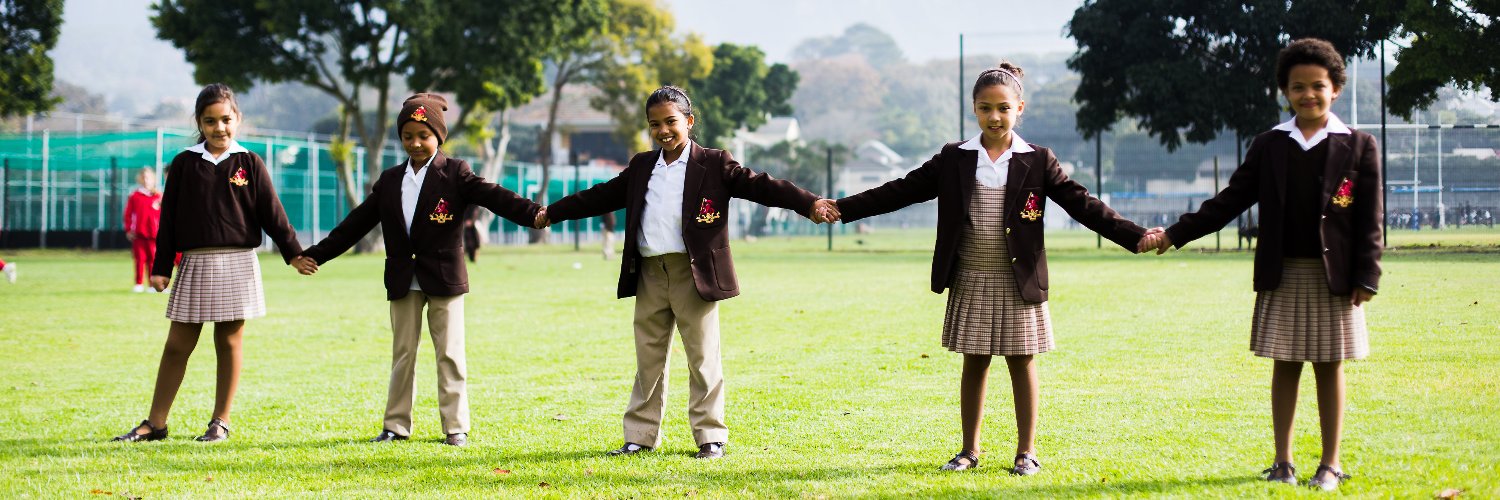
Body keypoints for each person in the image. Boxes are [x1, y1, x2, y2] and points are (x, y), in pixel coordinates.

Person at [834, 62, 1154, 475]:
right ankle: (969, 450)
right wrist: (841, 209)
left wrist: (1136, 235)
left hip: (1019, 279)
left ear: (1019, 108)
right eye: (985, 108)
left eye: (1003, 108)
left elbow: (1084, 204)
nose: (994, 117)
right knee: (975, 360)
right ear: (974, 110)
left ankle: (1026, 452)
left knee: (1022, 360)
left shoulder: (1037, 160)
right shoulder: (955, 158)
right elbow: (900, 189)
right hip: (972, 275)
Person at [541, 85, 838, 459]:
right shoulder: (641, 167)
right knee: (648, 359)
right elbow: (598, 195)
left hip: (693, 274)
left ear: (689, 122)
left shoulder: (714, 163)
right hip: (649, 271)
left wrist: (808, 203)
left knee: (702, 357)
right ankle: (639, 436)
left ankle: (710, 436)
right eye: (654, 124)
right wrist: (552, 212)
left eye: (671, 121)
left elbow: (762, 186)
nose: (663, 131)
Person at [1140, 38, 1382, 491]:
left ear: (1336, 89)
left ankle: (1330, 464)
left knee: (1330, 365)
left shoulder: (1359, 146)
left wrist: (1367, 276)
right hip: (1283, 272)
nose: (1308, 94)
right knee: (1285, 364)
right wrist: (1174, 235)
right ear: (1284, 92)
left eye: (1318, 86)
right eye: (1298, 87)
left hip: (1335, 278)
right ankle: (1283, 462)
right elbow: (1229, 201)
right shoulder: (1270, 145)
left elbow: (1370, 220)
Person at [296, 94, 541, 447]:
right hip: (401, 279)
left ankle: (456, 428)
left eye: (423, 136)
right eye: (408, 135)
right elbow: (355, 224)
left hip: (444, 278)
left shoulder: (456, 172)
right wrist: (317, 254)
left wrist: (533, 213)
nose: (415, 143)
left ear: (437, 137)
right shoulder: (390, 180)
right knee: (403, 354)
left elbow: (494, 195)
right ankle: (395, 426)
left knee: (450, 354)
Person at [112, 83, 304, 443]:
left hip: (238, 264)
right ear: (199, 123)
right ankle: (155, 423)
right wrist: (161, 266)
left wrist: (293, 253)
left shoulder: (250, 162)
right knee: (177, 344)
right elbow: (168, 218)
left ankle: (220, 422)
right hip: (195, 264)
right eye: (210, 121)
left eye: (226, 120)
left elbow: (272, 213)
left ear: (238, 119)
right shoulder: (184, 163)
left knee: (228, 342)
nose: (219, 128)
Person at [125, 166, 164, 292]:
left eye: (148, 177)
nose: (146, 180)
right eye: (144, 177)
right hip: (139, 234)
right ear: (140, 180)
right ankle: (138, 283)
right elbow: (128, 214)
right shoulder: (135, 196)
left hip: (154, 235)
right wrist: (128, 229)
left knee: (154, 260)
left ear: (153, 179)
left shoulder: (159, 196)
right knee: (139, 260)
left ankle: (152, 285)